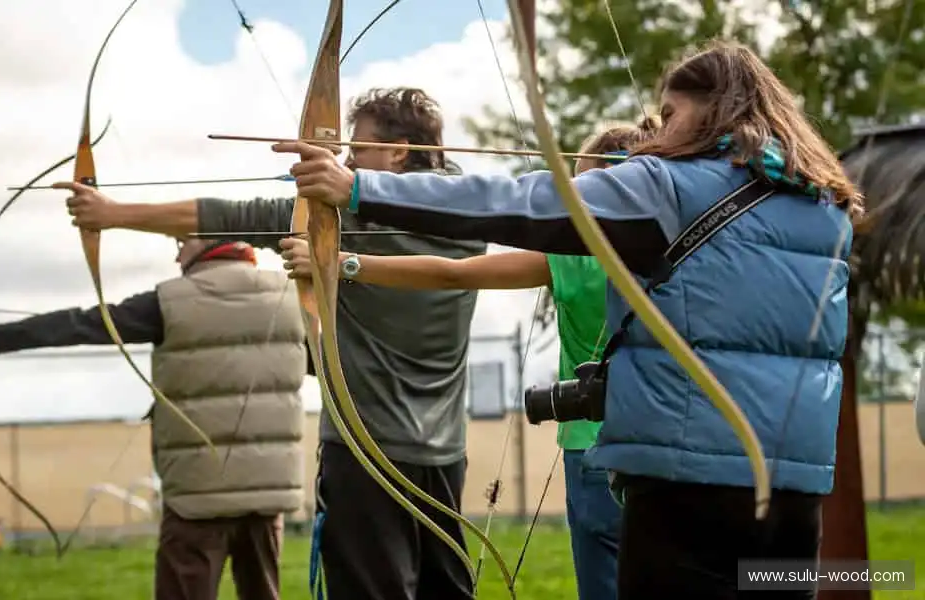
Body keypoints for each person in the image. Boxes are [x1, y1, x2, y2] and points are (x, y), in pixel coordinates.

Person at [273, 41, 860, 599]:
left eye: (670, 113)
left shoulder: (667, 187)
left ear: (711, 112)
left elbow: (519, 201)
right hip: (792, 491)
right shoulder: (823, 206)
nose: (658, 130)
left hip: (687, 486)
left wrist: (357, 188)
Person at [56, 87, 488, 600]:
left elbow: (230, 217)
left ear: (398, 151)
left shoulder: (347, 222)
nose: (348, 160)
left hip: (364, 453)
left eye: (359, 149)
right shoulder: (471, 215)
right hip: (443, 454)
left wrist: (114, 213)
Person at [280, 121, 655, 600]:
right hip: (670, 445)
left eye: (585, 187)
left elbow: (452, 273)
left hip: (592, 448)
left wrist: (343, 263)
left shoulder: (572, 255)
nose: (576, 207)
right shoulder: (688, 247)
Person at [0, 237, 305, 600]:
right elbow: (330, 367)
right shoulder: (290, 297)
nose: (177, 252)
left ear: (208, 241)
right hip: (267, 494)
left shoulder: (171, 300)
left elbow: (83, 324)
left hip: (197, 497)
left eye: (183, 240)